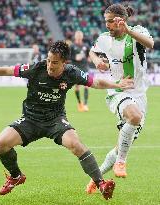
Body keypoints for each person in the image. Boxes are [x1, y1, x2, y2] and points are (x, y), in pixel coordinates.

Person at [0, 41, 134, 200]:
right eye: (49, 60)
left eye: (55, 62)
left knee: (76, 145)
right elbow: (6, 70)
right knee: (1, 143)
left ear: (64, 62)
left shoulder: (72, 72)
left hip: (55, 120)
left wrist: (118, 85)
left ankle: (101, 184)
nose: (50, 65)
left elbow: (95, 82)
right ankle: (15, 176)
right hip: (30, 119)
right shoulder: (37, 68)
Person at [85, 3, 154, 194]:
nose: (107, 25)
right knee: (134, 116)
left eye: (110, 22)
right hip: (118, 91)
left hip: (139, 95)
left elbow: (151, 44)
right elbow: (92, 51)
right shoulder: (104, 39)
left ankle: (96, 178)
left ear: (121, 20)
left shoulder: (137, 31)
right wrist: (98, 60)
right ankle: (122, 163)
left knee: (122, 144)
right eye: (105, 21)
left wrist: (128, 30)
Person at [70, 31, 90, 112]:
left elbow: (89, 54)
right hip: (76, 68)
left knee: (86, 85)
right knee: (77, 87)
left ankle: (85, 104)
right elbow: (69, 57)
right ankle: (79, 103)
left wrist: (89, 58)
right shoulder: (72, 46)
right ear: (75, 37)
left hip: (85, 68)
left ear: (82, 37)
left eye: (80, 36)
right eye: (77, 36)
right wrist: (75, 57)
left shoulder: (85, 46)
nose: (78, 38)